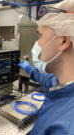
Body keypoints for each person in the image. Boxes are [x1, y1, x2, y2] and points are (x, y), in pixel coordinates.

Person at [20, 0, 74, 134]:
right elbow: (47, 80)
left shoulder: (67, 128)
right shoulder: (62, 83)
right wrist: (29, 69)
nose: (37, 43)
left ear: (63, 41)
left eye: (40, 35)